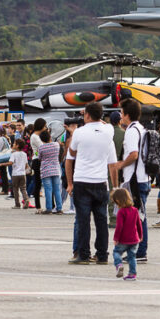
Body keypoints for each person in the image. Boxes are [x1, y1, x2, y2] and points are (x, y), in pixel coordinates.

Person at [66, 101, 119, 264]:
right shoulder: (108, 132)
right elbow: (113, 164)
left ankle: (83, 254)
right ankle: (102, 254)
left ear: (86, 115)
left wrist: (69, 183)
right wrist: (115, 186)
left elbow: (71, 155)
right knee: (101, 220)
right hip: (101, 181)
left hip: (82, 179)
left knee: (83, 220)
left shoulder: (79, 132)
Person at [117, 98, 151, 263]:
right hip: (142, 177)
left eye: (122, 113)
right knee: (138, 215)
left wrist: (120, 165)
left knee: (137, 217)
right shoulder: (141, 129)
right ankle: (138, 250)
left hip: (134, 179)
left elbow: (134, 154)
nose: (120, 117)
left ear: (127, 115)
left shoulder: (131, 131)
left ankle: (140, 251)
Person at [111, 187, 142, 281]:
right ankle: (132, 274)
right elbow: (139, 224)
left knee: (116, 252)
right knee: (132, 257)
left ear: (118, 201)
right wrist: (140, 235)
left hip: (123, 239)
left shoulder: (121, 212)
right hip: (134, 239)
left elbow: (119, 226)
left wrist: (116, 238)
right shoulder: (135, 210)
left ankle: (119, 264)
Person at [38, 129, 62, 214]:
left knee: (48, 190)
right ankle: (59, 208)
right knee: (57, 190)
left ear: (41, 139)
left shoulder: (41, 147)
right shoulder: (56, 145)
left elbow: (39, 158)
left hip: (46, 170)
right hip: (55, 169)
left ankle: (49, 209)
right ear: (49, 137)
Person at [9, 138, 30, 208]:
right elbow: (26, 165)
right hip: (23, 174)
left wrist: (1, 164)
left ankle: (17, 204)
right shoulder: (24, 154)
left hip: (15, 174)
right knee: (23, 188)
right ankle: (26, 199)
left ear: (17, 146)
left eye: (14, 144)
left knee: (15, 189)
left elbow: (11, 162)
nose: (13, 145)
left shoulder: (13, 154)